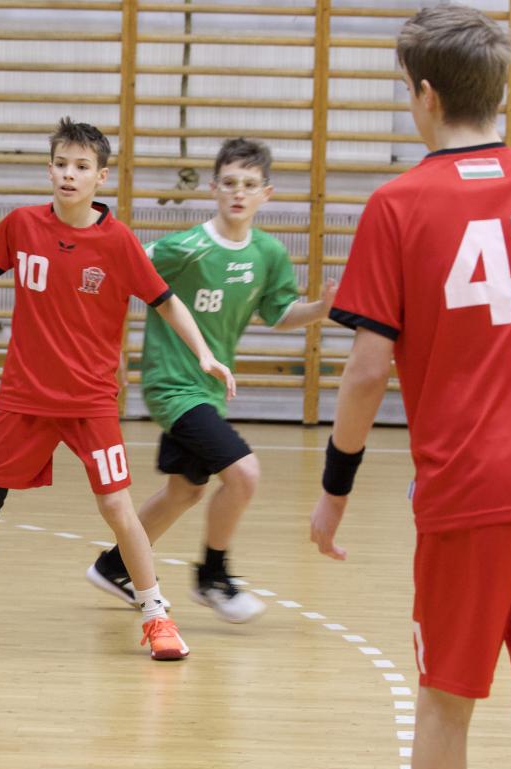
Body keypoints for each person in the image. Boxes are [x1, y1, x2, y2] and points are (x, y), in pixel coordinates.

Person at [308, 7, 511, 769]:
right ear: (500, 93)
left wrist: (335, 489)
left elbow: (366, 372)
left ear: (425, 94)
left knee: (445, 704)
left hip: (469, 494)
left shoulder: (398, 204)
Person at [0, 118, 236, 661]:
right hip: (24, 398)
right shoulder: (22, 225)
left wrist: (203, 352)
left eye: (82, 166)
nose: (69, 174)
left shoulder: (117, 241)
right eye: (62, 164)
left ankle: (157, 615)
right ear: (49, 169)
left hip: (89, 401)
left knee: (117, 507)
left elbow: (166, 301)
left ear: (100, 177)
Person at [86, 138, 336, 623]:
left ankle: (114, 566)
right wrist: (107, 348)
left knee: (185, 490)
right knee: (244, 474)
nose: (239, 193)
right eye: (230, 183)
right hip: (172, 384)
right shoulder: (185, 248)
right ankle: (213, 578)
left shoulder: (268, 253)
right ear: (213, 188)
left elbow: (279, 312)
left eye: (249, 185)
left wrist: (319, 310)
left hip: (209, 391)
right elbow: (119, 273)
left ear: (266, 193)